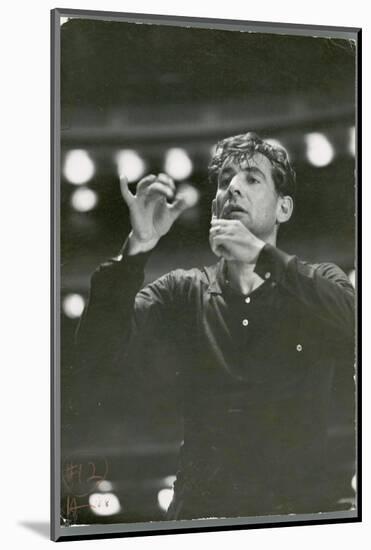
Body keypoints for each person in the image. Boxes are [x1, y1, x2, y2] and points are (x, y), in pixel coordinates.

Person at [73, 132, 355, 520]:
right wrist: (136, 249)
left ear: (283, 208)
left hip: (304, 511)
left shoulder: (319, 281)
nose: (233, 187)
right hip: (205, 515)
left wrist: (262, 256)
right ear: (214, 209)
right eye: (225, 180)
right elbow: (94, 353)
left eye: (252, 178)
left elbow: (354, 325)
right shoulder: (181, 290)